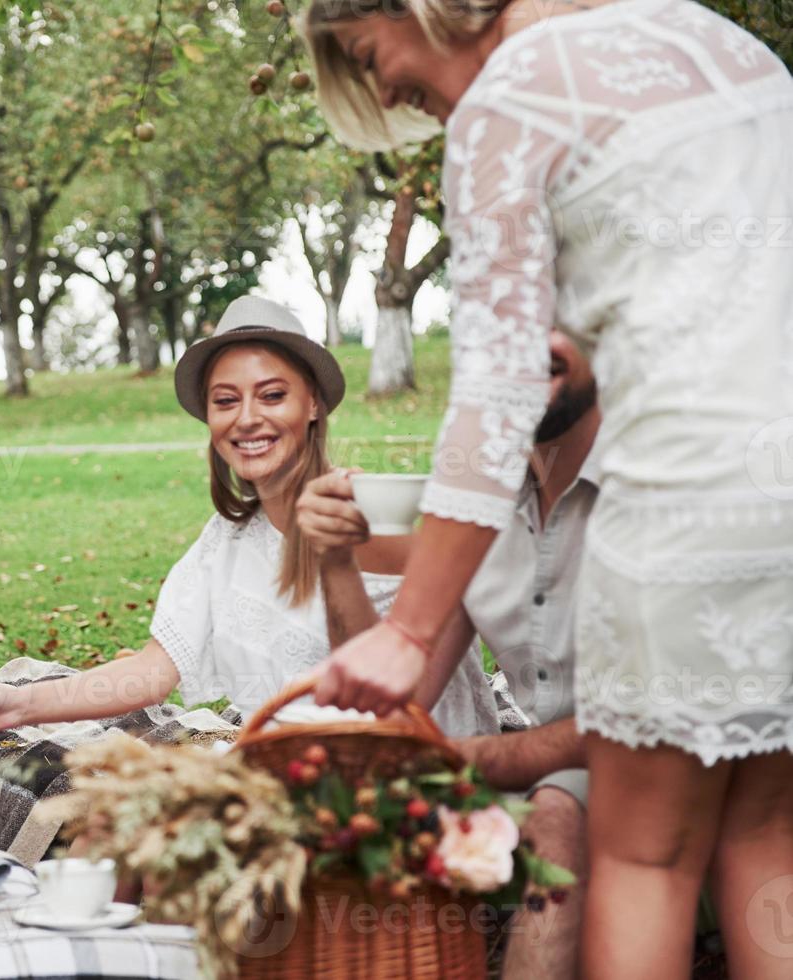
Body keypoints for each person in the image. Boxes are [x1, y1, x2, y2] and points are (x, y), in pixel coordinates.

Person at [301, 2, 793, 976]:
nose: (389, 88)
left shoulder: (508, 99)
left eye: (368, 55)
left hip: (678, 506)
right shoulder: (719, 42)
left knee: (644, 856)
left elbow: (498, 386)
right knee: (765, 838)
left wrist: (409, 631)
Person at [0, 295, 497, 738]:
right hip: (288, 769)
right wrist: (17, 705)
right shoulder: (227, 540)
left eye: (272, 396)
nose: (247, 419)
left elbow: (398, 692)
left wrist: (336, 558)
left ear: (313, 404)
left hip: (403, 778)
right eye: (226, 401)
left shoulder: (370, 512)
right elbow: (155, 670)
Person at [298, 328, 599, 980]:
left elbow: (651, 716)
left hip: (677, 759)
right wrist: (332, 558)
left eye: (552, 308)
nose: (519, 338)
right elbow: (396, 702)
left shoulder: (655, 483)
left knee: (557, 807)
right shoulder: (471, 502)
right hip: (544, 761)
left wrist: (481, 759)